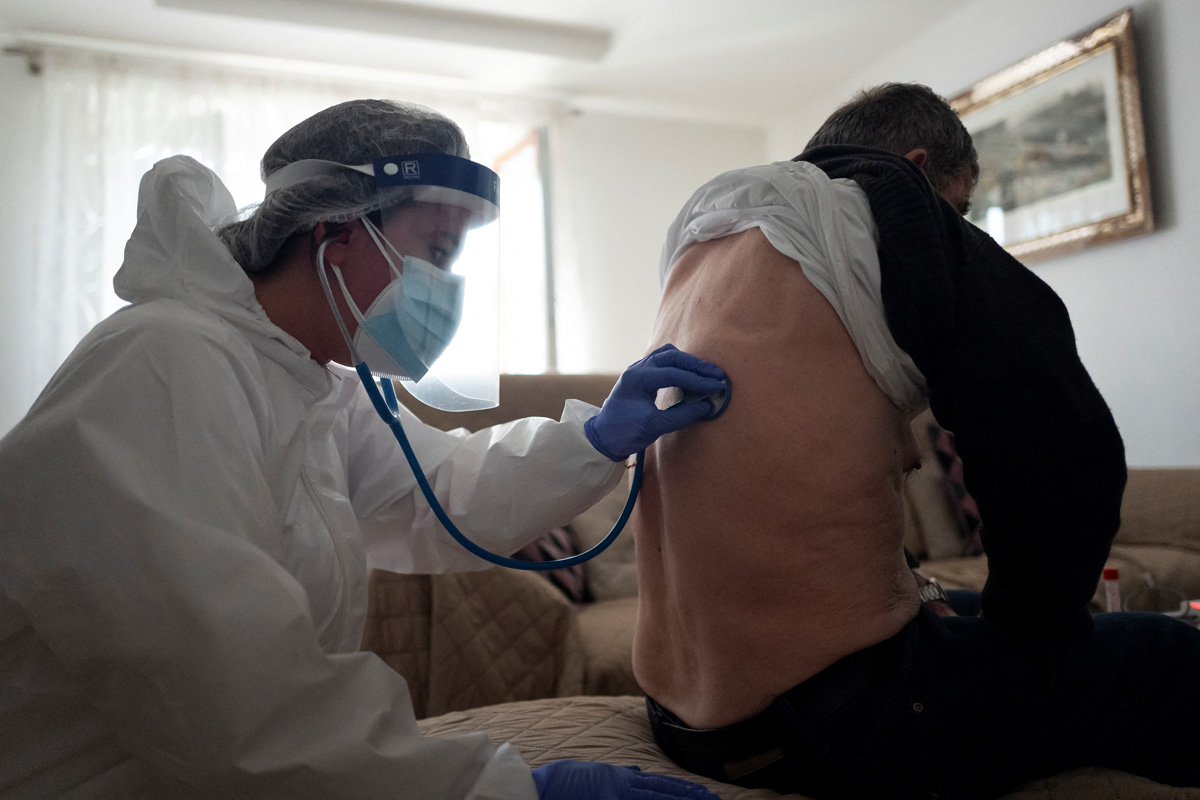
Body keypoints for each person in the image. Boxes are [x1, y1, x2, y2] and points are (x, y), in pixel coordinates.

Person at [0, 99, 725, 800]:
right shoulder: (164, 364)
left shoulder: (313, 387)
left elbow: (440, 494)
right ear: (336, 233)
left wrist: (592, 438)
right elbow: (223, 691)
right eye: (436, 251)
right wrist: (493, 788)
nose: (444, 289)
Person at [631, 83, 1200, 799]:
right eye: (960, 208)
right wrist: (1036, 631)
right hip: (827, 729)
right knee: (1171, 655)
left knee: (961, 612)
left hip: (681, 715)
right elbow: (1065, 459)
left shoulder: (711, 238)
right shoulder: (890, 207)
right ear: (918, 164)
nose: (957, 229)